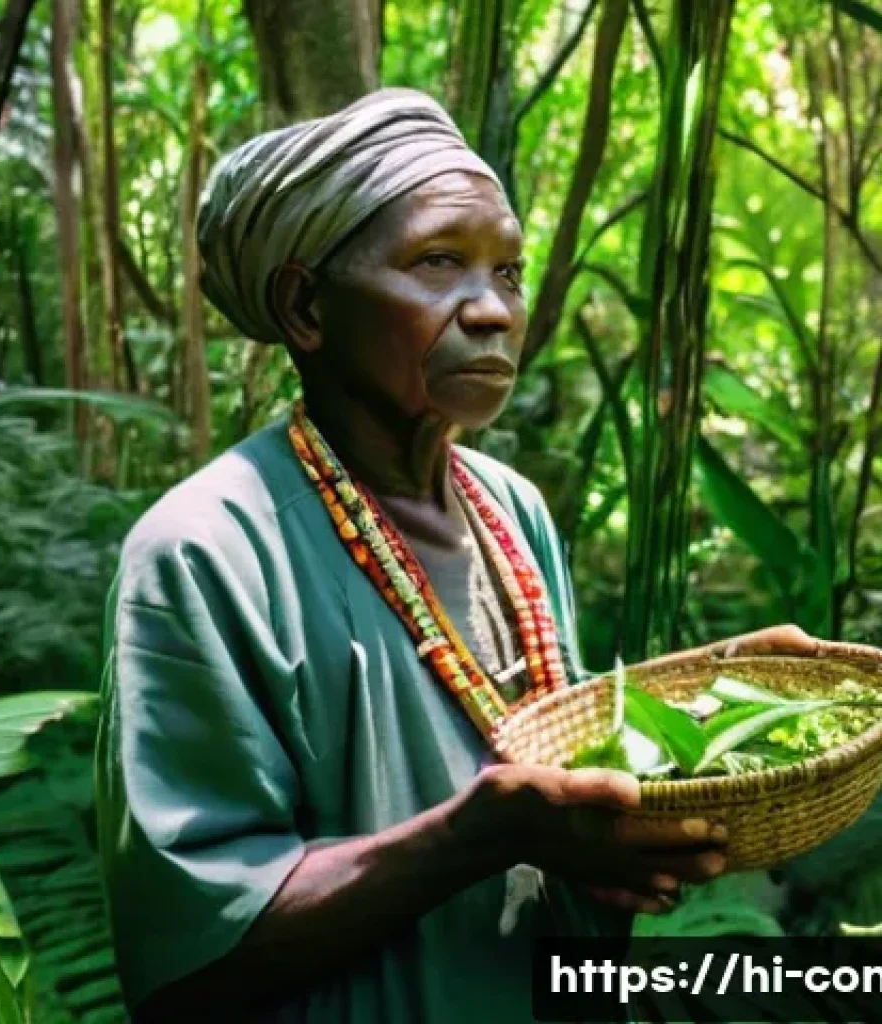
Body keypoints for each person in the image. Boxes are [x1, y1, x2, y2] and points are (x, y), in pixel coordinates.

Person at [95, 88, 830, 1023]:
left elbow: (529, 742)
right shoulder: (207, 551)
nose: (493, 311)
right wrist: (474, 839)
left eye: (510, 273)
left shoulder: (511, 510)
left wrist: (708, 697)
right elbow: (187, 965)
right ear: (305, 304)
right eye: (439, 262)